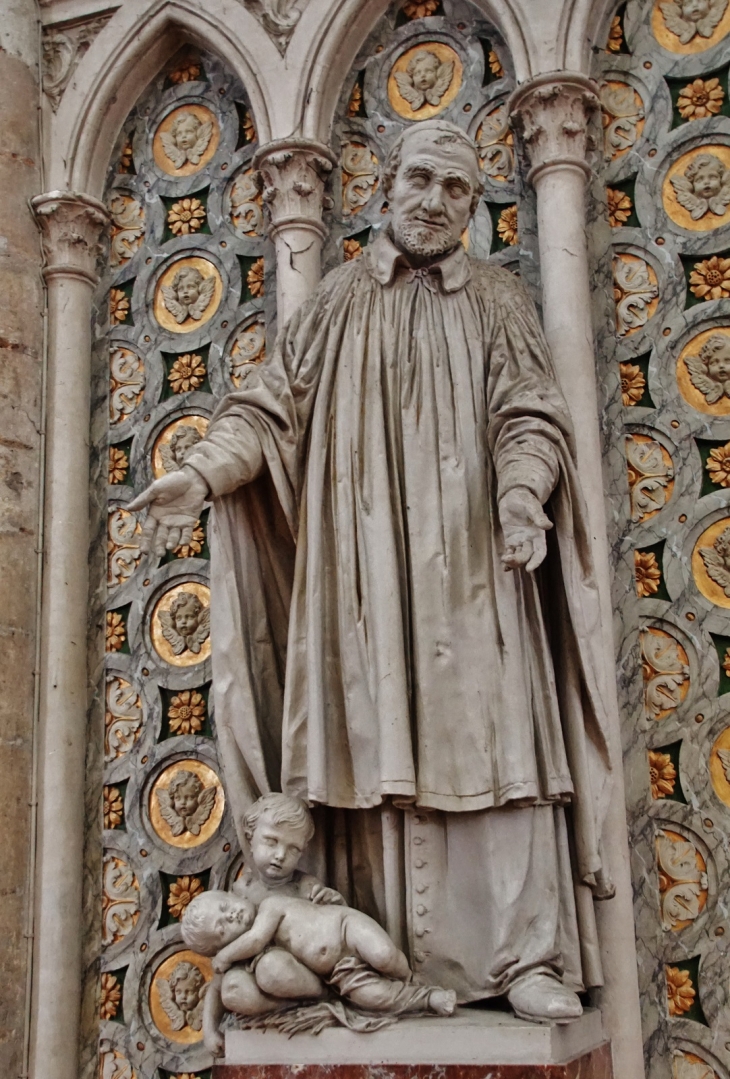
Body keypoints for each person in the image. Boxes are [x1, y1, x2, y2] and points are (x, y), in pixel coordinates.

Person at [129, 119, 614, 1022]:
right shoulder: (338, 300)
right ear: (387, 185)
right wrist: (201, 472)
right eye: (421, 179)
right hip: (364, 579)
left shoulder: (498, 300)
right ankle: (377, 960)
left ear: (475, 202)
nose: (434, 200)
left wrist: (521, 497)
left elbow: (531, 413)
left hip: (476, 567)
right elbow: (268, 410)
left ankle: (526, 956)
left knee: (498, 739)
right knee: (372, 743)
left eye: (457, 188)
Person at [182, 888, 455, 1054]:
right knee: (372, 997)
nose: (230, 916)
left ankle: (409, 976)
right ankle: (427, 998)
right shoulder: (251, 957)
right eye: (222, 929)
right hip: (340, 973)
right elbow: (217, 987)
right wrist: (209, 1031)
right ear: (223, 943)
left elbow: (255, 939)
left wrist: (226, 955)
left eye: (224, 906)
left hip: (345, 927)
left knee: (384, 955)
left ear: (234, 894)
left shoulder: (269, 906)